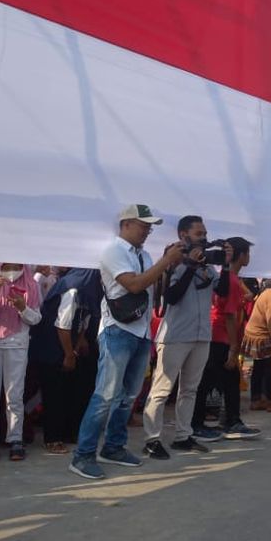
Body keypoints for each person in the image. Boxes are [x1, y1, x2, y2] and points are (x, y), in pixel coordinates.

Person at [69, 204, 184, 481]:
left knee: (128, 396)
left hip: (141, 332)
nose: (148, 230)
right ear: (126, 224)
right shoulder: (113, 250)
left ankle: (113, 447)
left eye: (149, 226)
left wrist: (168, 266)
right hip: (116, 330)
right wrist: (165, 262)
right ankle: (82, 455)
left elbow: (152, 294)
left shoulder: (143, 255)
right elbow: (133, 285)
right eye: (143, 225)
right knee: (105, 396)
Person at [142, 217, 231, 460]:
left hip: (201, 335)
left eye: (205, 232)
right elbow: (171, 296)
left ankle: (183, 435)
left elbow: (221, 291)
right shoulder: (173, 261)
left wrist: (228, 266)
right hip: (176, 335)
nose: (204, 237)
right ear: (184, 235)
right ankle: (152, 439)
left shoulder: (206, 265)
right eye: (199, 232)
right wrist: (190, 265)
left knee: (190, 389)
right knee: (161, 389)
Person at [194, 237, 263, 436]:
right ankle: (227, 421)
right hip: (221, 336)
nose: (249, 257)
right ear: (241, 256)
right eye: (247, 253)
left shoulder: (229, 278)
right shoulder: (231, 280)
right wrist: (234, 348)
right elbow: (230, 316)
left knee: (220, 380)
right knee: (219, 380)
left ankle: (226, 419)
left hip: (217, 334)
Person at [29, 268, 101, 453]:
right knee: (54, 394)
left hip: (68, 343)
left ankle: (69, 433)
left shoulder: (88, 291)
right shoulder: (72, 289)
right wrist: (69, 354)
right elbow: (62, 325)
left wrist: (78, 344)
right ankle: (52, 439)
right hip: (51, 346)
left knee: (70, 390)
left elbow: (84, 319)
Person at [0, 263, 41, 463]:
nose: (10, 264)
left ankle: (15, 439)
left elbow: (36, 318)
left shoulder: (31, 284)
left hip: (18, 344)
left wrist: (23, 308)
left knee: (14, 395)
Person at [242, 280, 271, 411]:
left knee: (259, 367)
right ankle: (267, 399)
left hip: (255, 333)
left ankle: (256, 399)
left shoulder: (268, 292)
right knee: (269, 368)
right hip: (263, 336)